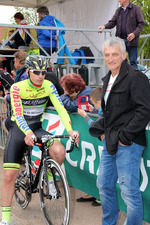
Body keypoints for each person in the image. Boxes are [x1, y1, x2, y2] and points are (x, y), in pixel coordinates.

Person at [0, 55, 79, 225]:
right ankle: (5, 219)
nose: (41, 75)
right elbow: (18, 115)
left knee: (58, 150)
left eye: (43, 72)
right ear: (28, 72)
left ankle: (49, 177)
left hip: (36, 127)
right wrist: (27, 133)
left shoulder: (48, 86)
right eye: (36, 72)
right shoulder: (17, 87)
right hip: (18, 128)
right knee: (9, 176)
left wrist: (71, 130)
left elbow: (61, 109)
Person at [89, 36, 150, 225]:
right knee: (104, 185)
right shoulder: (108, 78)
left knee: (128, 192)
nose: (110, 58)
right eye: (107, 55)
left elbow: (145, 110)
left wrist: (125, 136)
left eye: (115, 54)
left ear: (124, 55)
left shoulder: (135, 76)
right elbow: (108, 111)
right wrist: (101, 131)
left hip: (128, 143)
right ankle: (109, 222)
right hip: (110, 141)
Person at [98, 0, 145, 68]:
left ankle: (133, 78)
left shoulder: (136, 8)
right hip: (120, 41)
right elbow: (112, 22)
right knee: (119, 62)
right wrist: (104, 26)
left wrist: (134, 34)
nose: (118, 0)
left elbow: (141, 23)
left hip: (132, 41)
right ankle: (121, 78)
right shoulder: (118, 10)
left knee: (133, 62)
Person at [77, 86, 103, 207]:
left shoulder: (106, 111)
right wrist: (93, 109)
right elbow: (100, 112)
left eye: (94, 103)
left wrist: (84, 116)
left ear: (99, 102)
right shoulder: (104, 108)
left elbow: (95, 125)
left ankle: (104, 198)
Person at [4, 50, 29, 131]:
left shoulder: (24, 75)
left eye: (14, 61)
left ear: (19, 61)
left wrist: (8, 97)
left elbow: (21, 92)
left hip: (24, 110)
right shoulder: (23, 73)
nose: (14, 63)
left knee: (8, 122)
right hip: (24, 109)